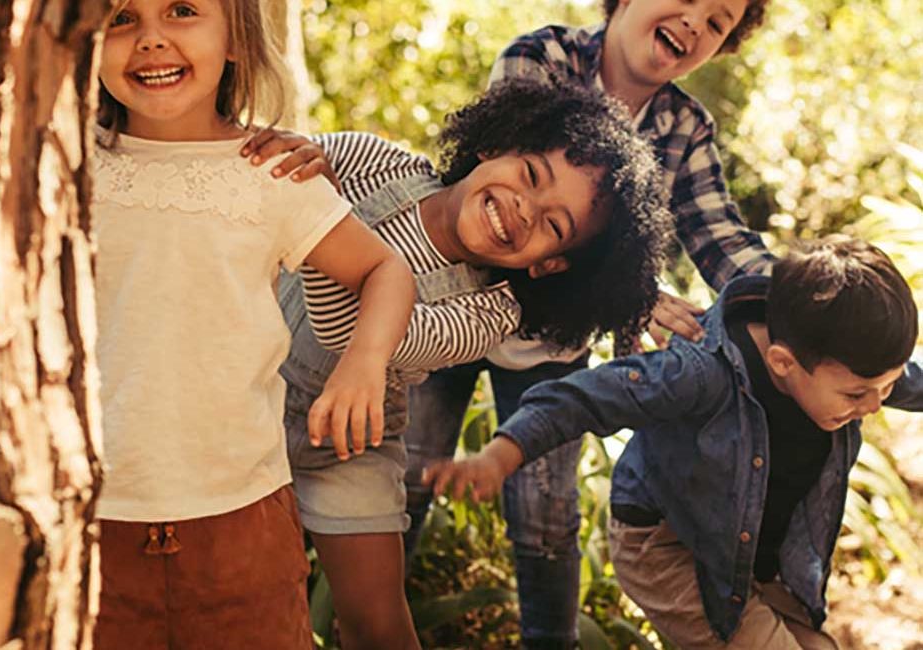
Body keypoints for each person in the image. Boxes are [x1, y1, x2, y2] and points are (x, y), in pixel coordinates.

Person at [401, 1, 778, 646]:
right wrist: (639, 292)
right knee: (405, 480)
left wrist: (799, 302)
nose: (694, 21)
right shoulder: (541, 59)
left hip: (549, 345)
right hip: (449, 308)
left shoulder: (685, 127)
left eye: (717, 22)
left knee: (546, 518)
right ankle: (363, 620)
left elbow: (720, 237)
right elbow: (504, 211)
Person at [275, 77, 673, 649]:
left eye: (554, 226)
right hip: (248, 387)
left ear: (550, 265)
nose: (523, 208)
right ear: (496, 144)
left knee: (377, 618)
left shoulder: (488, 314)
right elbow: (285, 166)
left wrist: (323, 219)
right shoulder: (382, 163)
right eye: (531, 174)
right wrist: (297, 162)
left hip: (348, 447)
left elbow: (350, 333)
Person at [90, 1, 415, 648]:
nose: (150, 39)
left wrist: (363, 363)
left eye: (181, 10)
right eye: (120, 17)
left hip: (242, 525)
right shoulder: (55, 168)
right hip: (90, 522)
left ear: (236, 37)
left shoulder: (272, 173)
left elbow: (386, 270)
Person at [424, 237, 923, 649]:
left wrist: (878, 387)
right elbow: (584, 399)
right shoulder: (700, 375)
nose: (877, 405)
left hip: (749, 551)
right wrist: (500, 453)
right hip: (666, 547)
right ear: (782, 363)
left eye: (886, 387)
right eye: (860, 394)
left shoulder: (848, 364)